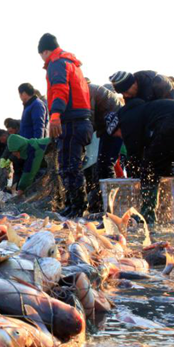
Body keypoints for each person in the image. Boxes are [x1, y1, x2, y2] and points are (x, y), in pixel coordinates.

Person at [107, 99, 174, 224]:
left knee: (149, 167)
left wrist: (138, 176)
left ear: (116, 127)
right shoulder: (138, 110)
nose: (120, 137)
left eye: (117, 134)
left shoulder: (126, 122)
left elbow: (135, 156)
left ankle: (148, 216)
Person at [38, 33, 93, 218]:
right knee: (71, 165)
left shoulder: (57, 63)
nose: (43, 60)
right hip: (81, 121)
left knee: (69, 166)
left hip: (71, 122)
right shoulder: (72, 63)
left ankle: (77, 207)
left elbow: (59, 89)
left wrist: (55, 115)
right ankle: (73, 204)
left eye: (42, 55)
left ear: (45, 51)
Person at [85, 82, 124, 212]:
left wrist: (83, 141)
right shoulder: (90, 90)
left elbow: (89, 118)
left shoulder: (88, 91)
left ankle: (111, 205)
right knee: (102, 164)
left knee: (106, 164)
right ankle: (103, 204)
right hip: (107, 128)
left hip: (114, 125)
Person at [109, 70, 174, 104]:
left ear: (133, 83)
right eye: (122, 93)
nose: (125, 96)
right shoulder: (130, 95)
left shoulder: (159, 83)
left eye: (126, 91)